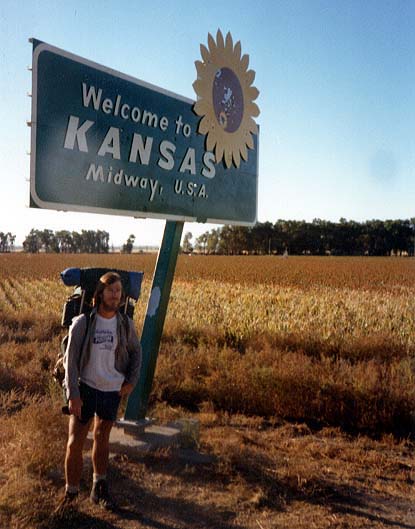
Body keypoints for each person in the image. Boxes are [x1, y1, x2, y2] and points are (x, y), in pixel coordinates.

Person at [56, 271, 141, 513]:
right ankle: (71, 493)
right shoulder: (83, 322)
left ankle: (98, 488)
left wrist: (131, 382)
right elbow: (71, 361)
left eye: (118, 291)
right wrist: (73, 393)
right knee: (75, 442)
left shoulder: (125, 324)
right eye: (110, 290)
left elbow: (137, 352)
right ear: (100, 294)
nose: (115, 295)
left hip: (111, 391)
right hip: (86, 388)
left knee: (102, 438)